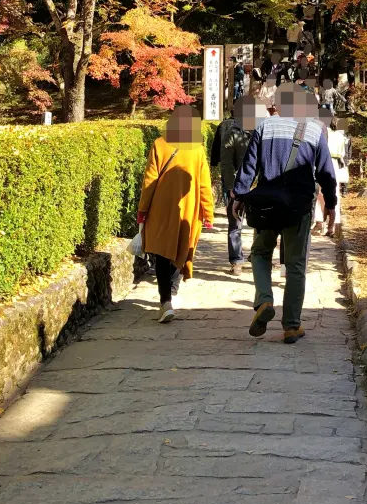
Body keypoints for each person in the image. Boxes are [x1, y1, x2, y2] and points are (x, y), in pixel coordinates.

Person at [232, 85, 337, 344]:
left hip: (267, 205)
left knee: (260, 253)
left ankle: (264, 300)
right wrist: (331, 206)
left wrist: (239, 196)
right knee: (296, 264)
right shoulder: (314, 129)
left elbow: (249, 167)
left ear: (277, 105)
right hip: (299, 207)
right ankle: (291, 326)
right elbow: (326, 173)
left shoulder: (265, 127)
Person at [138, 105, 214, 323]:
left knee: (162, 252)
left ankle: (165, 301)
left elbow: (150, 181)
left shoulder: (160, 144)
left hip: (161, 208)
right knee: (180, 250)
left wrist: (143, 209)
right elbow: (204, 186)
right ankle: (172, 290)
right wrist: (207, 213)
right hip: (187, 208)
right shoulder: (197, 149)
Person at [220, 96, 269, 274]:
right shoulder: (232, 132)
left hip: (259, 185)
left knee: (261, 223)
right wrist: (232, 188)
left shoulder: (263, 130)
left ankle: (256, 254)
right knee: (235, 223)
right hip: (238, 185)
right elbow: (226, 163)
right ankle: (236, 260)